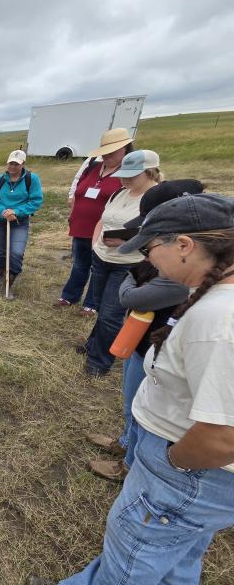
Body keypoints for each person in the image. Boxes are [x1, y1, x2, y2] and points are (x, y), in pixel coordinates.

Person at [57, 193, 234, 585]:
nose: (148, 260)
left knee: (131, 563)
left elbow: (224, 436)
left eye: (152, 249)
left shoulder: (219, 321)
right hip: (198, 476)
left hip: (189, 476)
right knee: (176, 559)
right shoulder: (212, 300)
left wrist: (172, 465)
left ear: (184, 246)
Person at [85, 180, 202, 481]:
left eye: (149, 244)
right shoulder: (173, 261)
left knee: (142, 404)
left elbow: (130, 295)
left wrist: (133, 277)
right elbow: (133, 278)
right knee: (133, 400)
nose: (146, 253)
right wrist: (135, 275)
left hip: (156, 345)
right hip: (142, 341)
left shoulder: (183, 275)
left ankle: (129, 464)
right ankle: (126, 443)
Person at [79, 150, 162, 377]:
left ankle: (99, 361)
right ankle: (93, 346)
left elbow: (161, 238)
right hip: (103, 257)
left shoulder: (157, 200)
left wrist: (131, 244)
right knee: (100, 306)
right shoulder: (120, 193)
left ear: (149, 172)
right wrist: (97, 244)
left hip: (128, 264)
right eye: (123, 175)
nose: (124, 180)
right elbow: (102, 220)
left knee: (111, 313)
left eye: (131, 175)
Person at [55, 128, 135, 316]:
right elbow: (78, 189)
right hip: (81, 224)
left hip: (105, 228)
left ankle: (91, 303)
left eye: (112, 152)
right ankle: (70, 295)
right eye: (104, 152)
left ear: (125, 149)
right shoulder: (92, 165)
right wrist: (73, 212)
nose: (107, 156)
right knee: (80, 263)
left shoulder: (128, 173)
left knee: (98, 265)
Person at [0, 150, 44, 298]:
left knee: (16, 253)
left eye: (16, 164)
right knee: (0, 252)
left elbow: (35, 201)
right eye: (11, 163)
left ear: (23, 164)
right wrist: (4, 212)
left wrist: (16, 212)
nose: (12, 166)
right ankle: (1, 275)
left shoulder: (32, 179)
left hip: (19, 222)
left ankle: (8, 284)